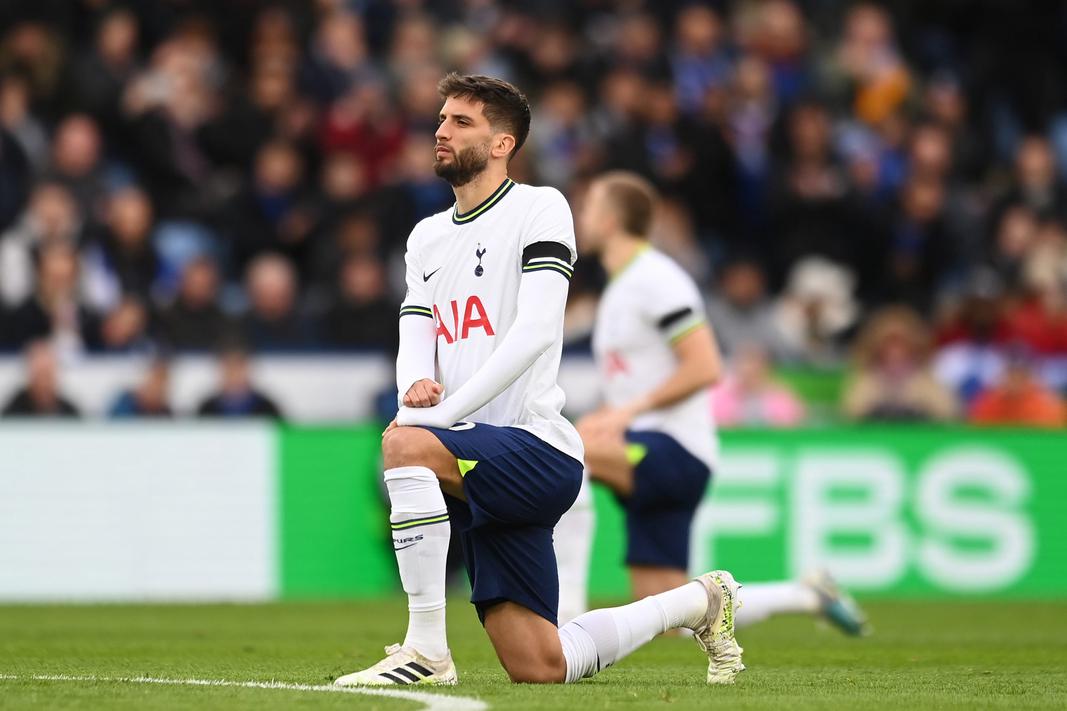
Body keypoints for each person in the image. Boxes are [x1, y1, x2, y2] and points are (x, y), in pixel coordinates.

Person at [335, 74, 745, 689]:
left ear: (503, 143)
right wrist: (416, 386)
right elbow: (415, 332)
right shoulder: (426, 237)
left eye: (461, 122)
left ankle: (425, 649)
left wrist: (438, 418)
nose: (441, 131)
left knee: (403, 444)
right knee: (540, 665)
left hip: (537, 448)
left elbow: (533, 334)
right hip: (476, 455)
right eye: (441, 119)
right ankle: (698, 602)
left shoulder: (541, 207)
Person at [555, 171, 867, 636]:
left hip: (672, 448)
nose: (581, 216)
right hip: (650, 444)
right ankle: (806, 596)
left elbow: (705, 366)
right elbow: (639, 377)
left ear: (613, 218)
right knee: (670, 616)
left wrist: (626, 413)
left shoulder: (656, 278)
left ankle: (566, 623)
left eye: (590, 206)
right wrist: (615, 411)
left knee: (567, 455)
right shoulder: (622, 287)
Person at [196, 346, 282, 418]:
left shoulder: (267, 409)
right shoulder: (206, 410)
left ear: (247, 369)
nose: (234, 374)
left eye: (238, 367)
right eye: (229, 367)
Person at [1, 340, 79, 417]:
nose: (44, 384)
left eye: (47, 376)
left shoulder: (69, 412)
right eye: (40, 376)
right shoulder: (13, 411)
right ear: (30, 376)